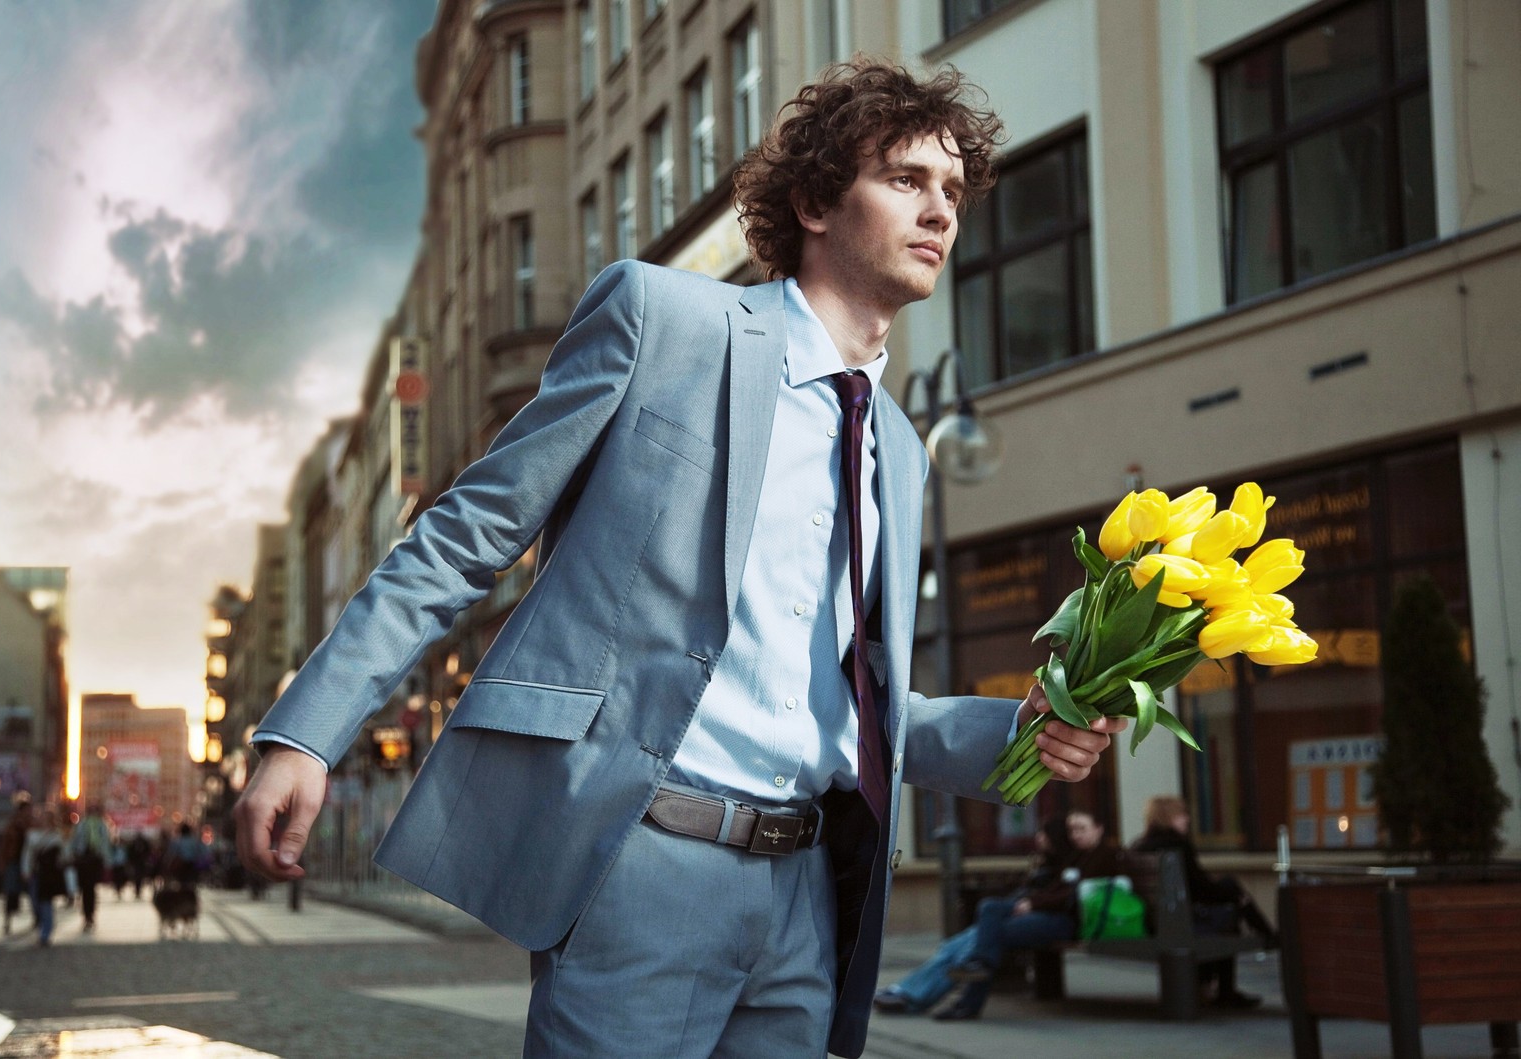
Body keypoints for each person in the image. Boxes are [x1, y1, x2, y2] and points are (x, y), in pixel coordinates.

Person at [235, 58, 1125, 1059]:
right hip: (641, 868)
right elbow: (466, 532)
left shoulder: (901, 456)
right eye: (907, 180)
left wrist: (1018, 731)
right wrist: (306, 735)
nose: (941, 212)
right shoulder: (663, 321)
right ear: (815, 202)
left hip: (803, 899)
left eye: (953, 191)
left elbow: (859, 710)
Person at [931, 809, 1125, 1020]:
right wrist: (1030, 902)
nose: (1075, 834)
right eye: (1072, 829)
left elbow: (1073, 895)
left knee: (993, 936)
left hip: (1069, 921)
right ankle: (978, 970)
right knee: (990, 907)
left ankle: (969, 1001)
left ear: (1098, 829)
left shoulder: (1105, 856)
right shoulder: (1077, 856)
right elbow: (1055, 889)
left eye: (1082, 829)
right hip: (1049, 913)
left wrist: (1033, 903)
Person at [872, 816, 1075, 1015]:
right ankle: (909, 991)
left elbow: (1065, 896)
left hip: (1045, 920)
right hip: (1023, 916)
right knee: (956, 946)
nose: (1039, 837)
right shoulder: (1047, 862)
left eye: (1044, 834)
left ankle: (917, 997)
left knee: (976, 946)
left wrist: (1032, 903)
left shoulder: (1075, 863)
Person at [1131, 794, 1275, 1008]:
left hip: (1156, 920)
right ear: (1168, 817)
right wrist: (1234, 896)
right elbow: (1201, 888)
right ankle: (1266, 938)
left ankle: (1210, 984)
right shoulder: (1177, 845)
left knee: (1227, 898)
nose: (1186, 819)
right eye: (1181, 814)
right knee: (1229, 904)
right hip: (1183, 921)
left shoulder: (1138, 846)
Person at [21, 806, 66, 947]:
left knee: (46, 902)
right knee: (35, 901)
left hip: (49, 874)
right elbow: (27, 854)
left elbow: (63, 855)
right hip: (36, 872)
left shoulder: (56, 836)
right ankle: (44, 923)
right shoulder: (32, 835)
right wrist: (26, 870)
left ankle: (46, 932)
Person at [68, 802, 112, 932]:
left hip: (93, 860)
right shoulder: (83, 825)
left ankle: (89, 915)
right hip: (84, 860)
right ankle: (88, 915)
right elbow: (75, 841)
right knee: (86, 889)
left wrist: (106, 861)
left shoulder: (100, 825)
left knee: (89, 889)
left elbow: (105, 844)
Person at [0, 793, 32, 935]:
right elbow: (4, 846)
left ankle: (37, 917)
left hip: (27, 863)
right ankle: (7, 921)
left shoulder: (31, 824)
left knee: (32, 892)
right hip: (14, 862)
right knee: (11, 892)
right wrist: (2, 862)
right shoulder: (12, 825)